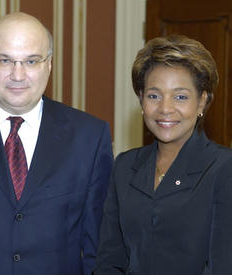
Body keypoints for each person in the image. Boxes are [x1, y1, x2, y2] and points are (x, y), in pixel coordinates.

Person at [0, 12, 113, 275]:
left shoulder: (89, 137)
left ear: (49, 64)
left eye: (31, 61)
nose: (18, 75)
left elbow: (99, 248)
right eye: (5, 60)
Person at [93, 35, 232, 275]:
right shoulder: (125, 166)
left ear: (202, 101)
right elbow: (110, 259)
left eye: (180, 96)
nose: (165, 108)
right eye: (154, 95)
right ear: (141, 99)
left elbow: (222, 265)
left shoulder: (223, 168)